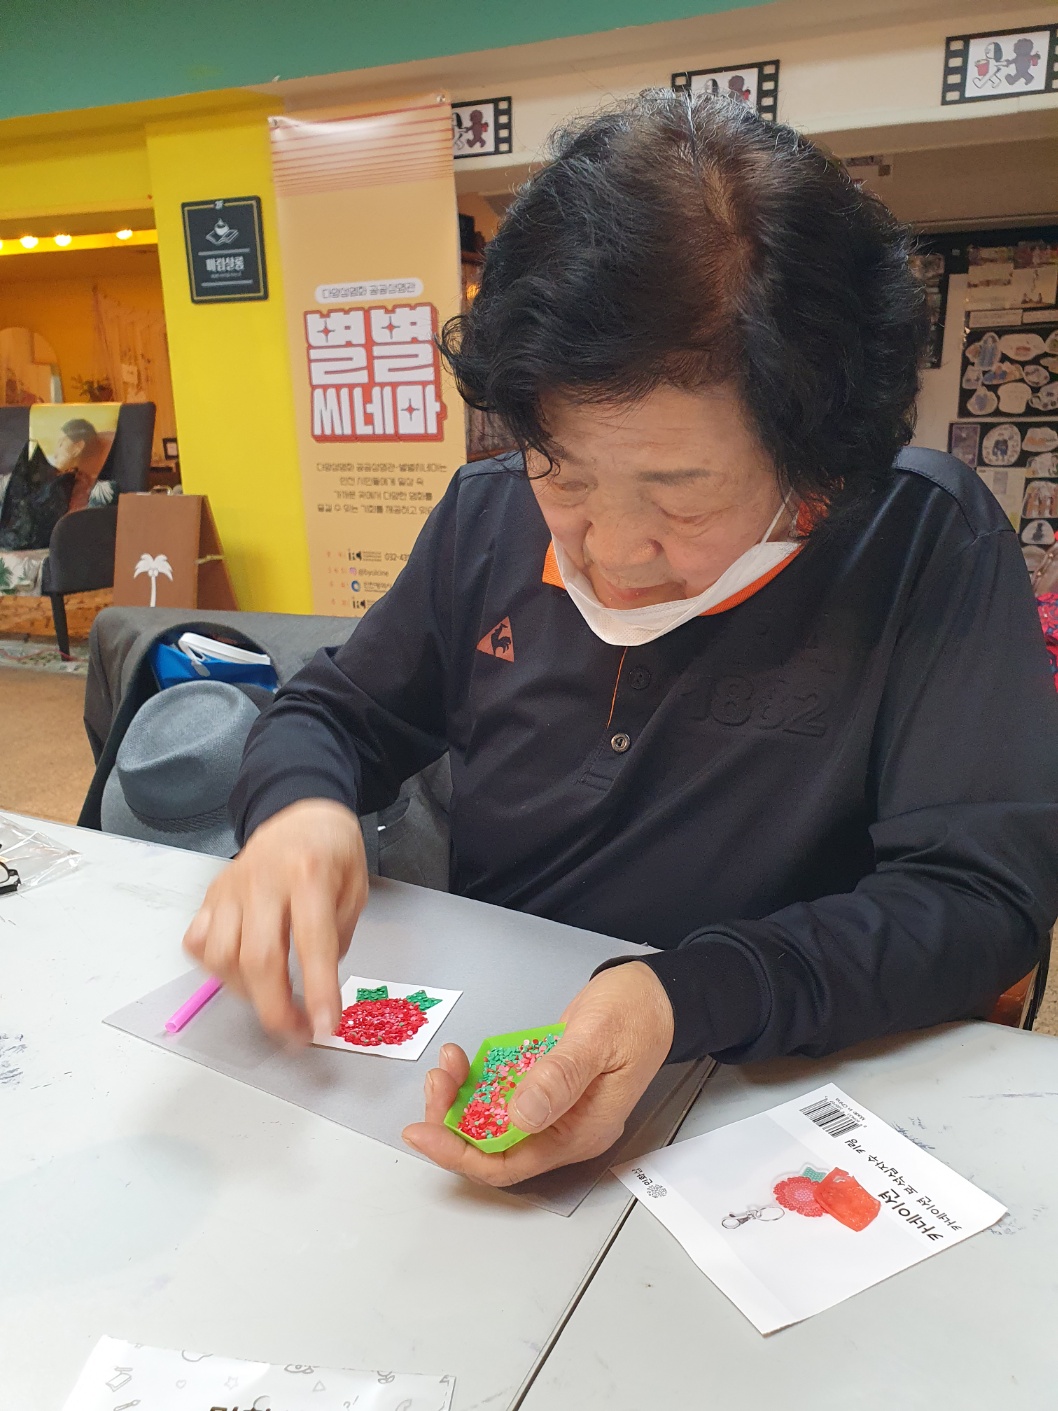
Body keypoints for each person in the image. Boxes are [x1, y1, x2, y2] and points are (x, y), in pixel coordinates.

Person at [184, 90, 1058, 1187]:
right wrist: (299, 815)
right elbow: (334, 712)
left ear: (818, 463)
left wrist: (682, 994)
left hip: (760, 1092)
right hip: (482, 1050)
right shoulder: (486, 517)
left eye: (678, 494)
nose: (608, 550)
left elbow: (979, 899)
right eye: (561, 469)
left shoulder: (922, 541)